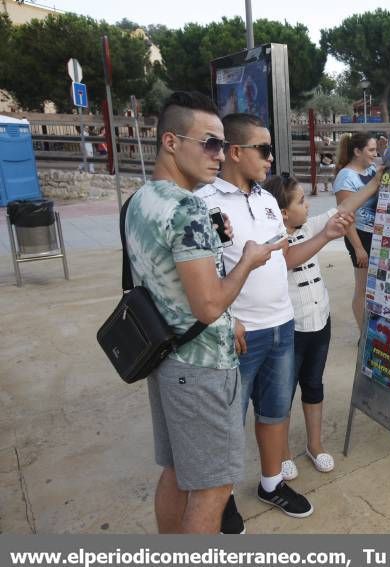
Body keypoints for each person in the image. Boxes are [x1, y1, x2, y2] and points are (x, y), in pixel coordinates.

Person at [125, 91, 275, 533]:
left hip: (166, 356)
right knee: (212, 488)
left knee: (175, 473)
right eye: (209, 143)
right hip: (203, 365)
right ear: (171, 142)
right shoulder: (188, 208)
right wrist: (248, 259)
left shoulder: (143, 199)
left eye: (223, 143)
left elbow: (162, 273)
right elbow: (209, 306)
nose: (219, 154)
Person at [197, 113, 353, 531]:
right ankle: (223, 496)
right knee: (228, 421)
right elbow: (201, 275)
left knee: (274, 412)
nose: (271, 158)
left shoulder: (267, 200)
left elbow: (281, 258)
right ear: (235, 152)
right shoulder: (205, 204)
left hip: (283, 327)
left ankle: (271, 483)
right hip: (240, 334)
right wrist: (226, 321)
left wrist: (324, 237)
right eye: (263, 150)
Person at [265, 169, 384, 479]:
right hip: (293, 328)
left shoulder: (308, 225)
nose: (308, 206)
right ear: (283, 212)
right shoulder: (274, 240)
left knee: (314, 385)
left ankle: (314, 445)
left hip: (320, 322)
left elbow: (344, 209)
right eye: (302, 201)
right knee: (284, 391)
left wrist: (374, 183)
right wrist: (325, 235)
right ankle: (282, 452)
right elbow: (289, 259)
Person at [332, 132, 380, 332]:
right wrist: (358, 248)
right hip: (359, 235)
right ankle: (364, 335)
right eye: (371, 150)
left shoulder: (372, 170)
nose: (375, 154)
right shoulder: (345, 176)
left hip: (376, 234)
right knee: (362, 288)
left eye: (376, 150)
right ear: (357, 151)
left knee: (375, 287)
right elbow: (346, 215)